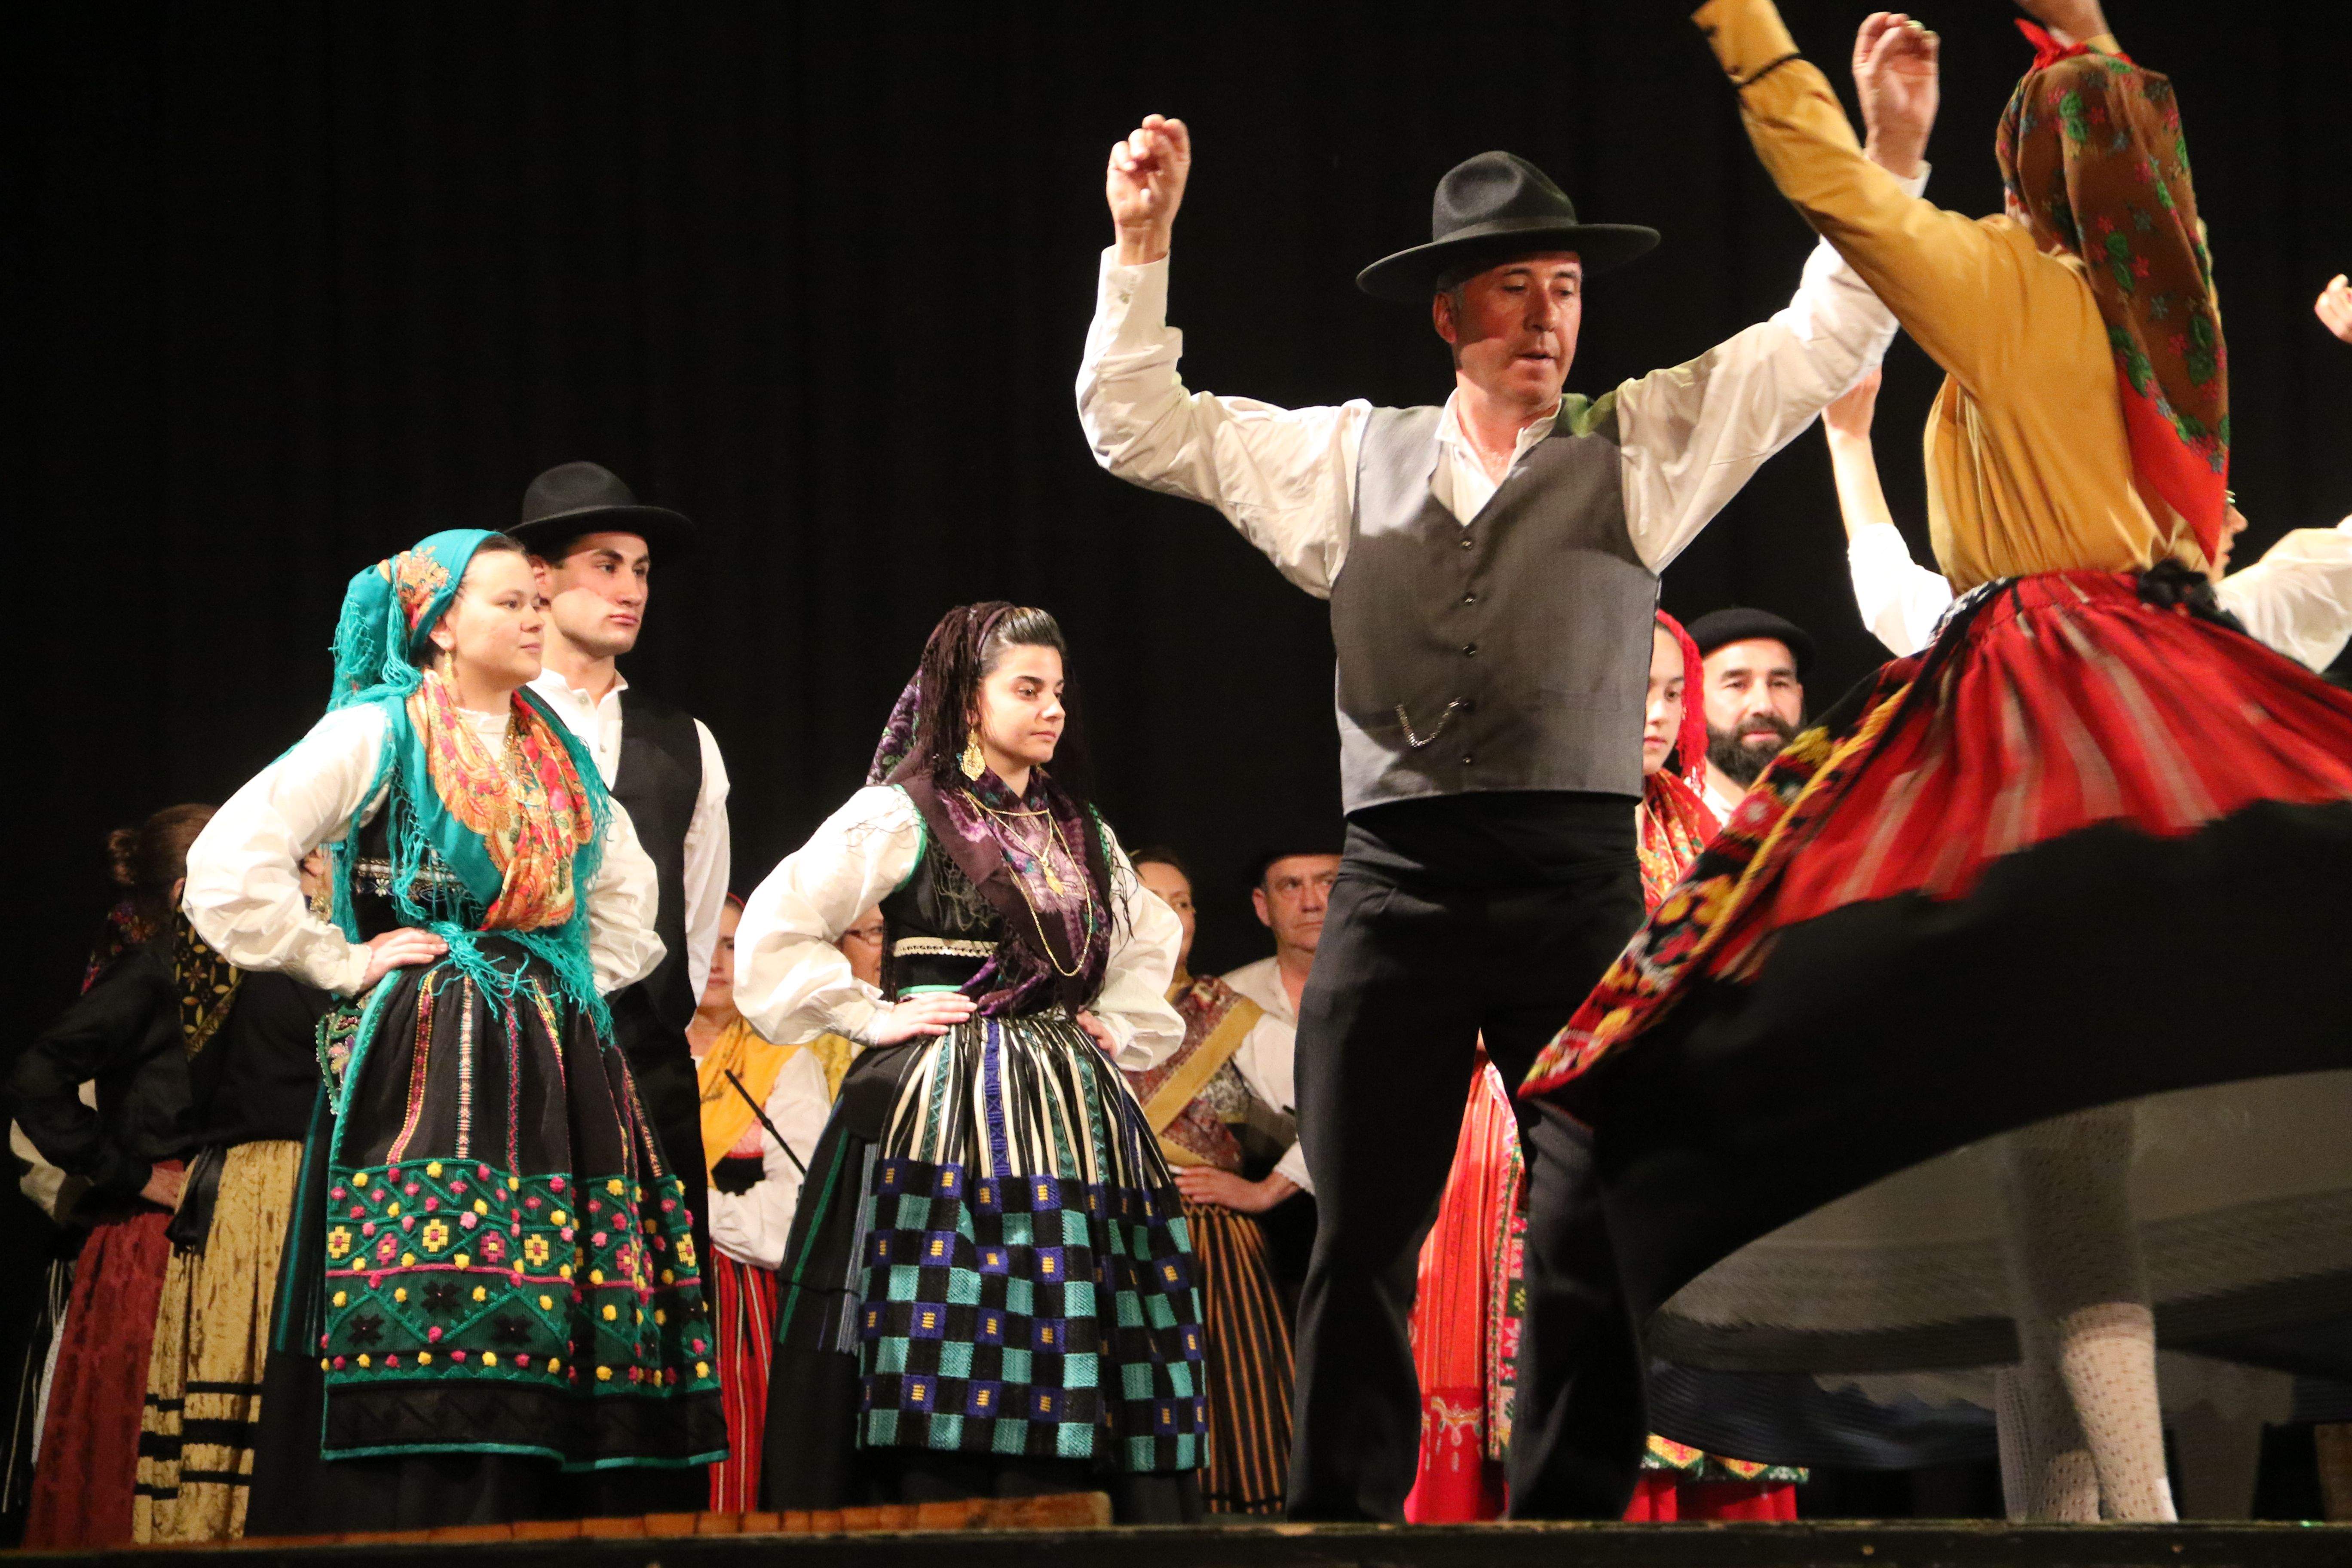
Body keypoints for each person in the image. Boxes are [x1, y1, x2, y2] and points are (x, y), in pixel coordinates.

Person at [1522, 0, 2352, 1523]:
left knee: (2048, 1138)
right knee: (2037, 1140)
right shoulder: (2168, 303)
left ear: (2032, 181)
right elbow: (2153, 190)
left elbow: (1838, 198)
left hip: (2048, 694)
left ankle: (2142, 1525)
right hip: (2144, 690)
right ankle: (2080, 1528)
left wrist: (1748, 31)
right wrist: (2092, 40)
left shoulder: (2016, 279)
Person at [1083, 53, 1932, 1518]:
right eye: (1514, 290)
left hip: (1574, 881)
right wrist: (1141, 248)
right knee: (1360, 1233)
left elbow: (1817, 339)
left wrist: (1897, 158)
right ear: (1449, 313)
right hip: (1400, 888)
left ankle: (1566, 1521)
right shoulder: (1349, 458)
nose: (1547, 316)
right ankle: (1339, 1522)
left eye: (1564, 288)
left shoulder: (1640, 440)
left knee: (1588, 1214)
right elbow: (1136, 425)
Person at [183, 528, 723, 1532]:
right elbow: (230, 865)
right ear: (437, 625)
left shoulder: (550, 751)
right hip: (431, 1054)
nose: (530, 618)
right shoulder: (379, 731)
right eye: (508, 602)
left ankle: (554, 1501)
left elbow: (628, 909)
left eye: (534, 601)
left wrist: (550, 996)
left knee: (569, 1295)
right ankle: (420, 1505)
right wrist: (341, 962)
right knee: (439, 1279)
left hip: (556, 1060)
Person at [738, 603, 1199, 1521]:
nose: (1052, 710)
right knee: (944, 1317)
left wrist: (1118, 1021)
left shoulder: (1080, 825)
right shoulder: (902, 812)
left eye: (1058, 691)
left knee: (1080, 1322)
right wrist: (869, 1014)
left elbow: (1151, 934)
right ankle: (936, 1502)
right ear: (965, 699)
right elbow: (777, 932)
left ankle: (1083, 1510)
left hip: (1072, 1110)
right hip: (945, 1109)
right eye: (1027, 690)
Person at [512, 461, 732, 1323]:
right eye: (605, 565)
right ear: (541, 578)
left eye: (639, 571)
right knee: (530, 1297)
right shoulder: (489, 719)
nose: (630, 589)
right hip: (518, 1053)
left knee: (657, 1306)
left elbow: (699, 909)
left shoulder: (684, 742)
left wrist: (661, 1015)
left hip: (646, 1062)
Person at [1830, 368, 2352, 676]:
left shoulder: (1995, 629)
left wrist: (1847, 440)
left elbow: (1886, 596)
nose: (2236, 523)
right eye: (2216, 501)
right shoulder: (2224, 624)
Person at [12, 805, 217, 1550]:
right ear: (188, 883)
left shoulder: (227, 966)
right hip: (156, 1244)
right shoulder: (154, 970)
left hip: (215, 1228)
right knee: (133, 1443)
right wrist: (133, 1174)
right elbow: (37, 1078)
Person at [129, 847, 337, 1544]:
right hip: (263, 1195)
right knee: (243, 1399)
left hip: (319, 1190)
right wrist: (125, 1170)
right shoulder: (232, 951)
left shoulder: (353, 949)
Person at [1123, 848, 1305, 1516]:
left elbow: (1342, 1109)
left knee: (1231, 1432)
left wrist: (1263, 1191)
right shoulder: (1078, 1021)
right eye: (1152, 900)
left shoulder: (1226, 1014)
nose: (1173, 916)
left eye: (1184, 901)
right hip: (1108, 1248)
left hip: (1211, 1258)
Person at [687, 895, 833, 1514]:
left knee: (736, 1466)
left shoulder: (783, 1062)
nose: (718, 962)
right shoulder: (626, 1059)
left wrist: (694, 1212)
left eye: (733, 945)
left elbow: (796, 1210)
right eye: (705, 941)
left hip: (739, 1299)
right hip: (647, 1291)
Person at [1686, 609, 1813, 822]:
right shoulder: (1656, 829)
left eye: (1779, 684)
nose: (1764, 705)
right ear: (1689, 701)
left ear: (1800, 695)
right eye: (1737, 685)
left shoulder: (1832, 815)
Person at [1220, 851, 1338, 1030]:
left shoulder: (1393, 994)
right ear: (1263, 906)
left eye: (1327, 883)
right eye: (1291, 886)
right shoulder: (1226, 1002)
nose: (1311, 903)